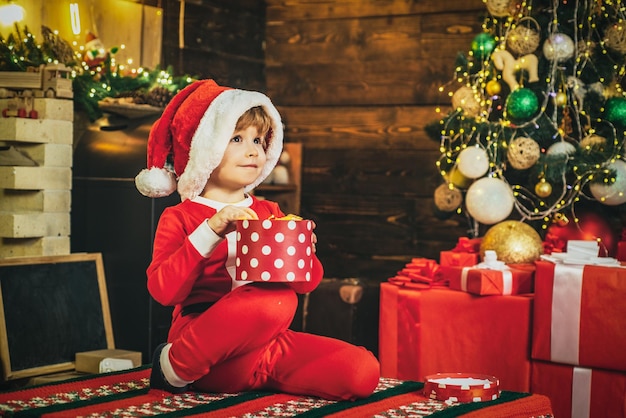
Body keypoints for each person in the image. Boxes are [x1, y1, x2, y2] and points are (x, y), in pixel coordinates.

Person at [135, 79, 380, 401]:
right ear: (204, 147)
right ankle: (172, 367)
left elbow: (307, 284)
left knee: (363, 370)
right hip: (203, 344)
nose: (254, 150)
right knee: (274, 299)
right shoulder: (181, 216)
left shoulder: (270, 211)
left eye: (259, 140)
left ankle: (250, 374)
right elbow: (164, 291)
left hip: (266, 345)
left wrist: (303, 252)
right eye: (237, 138)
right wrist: (212, 230)